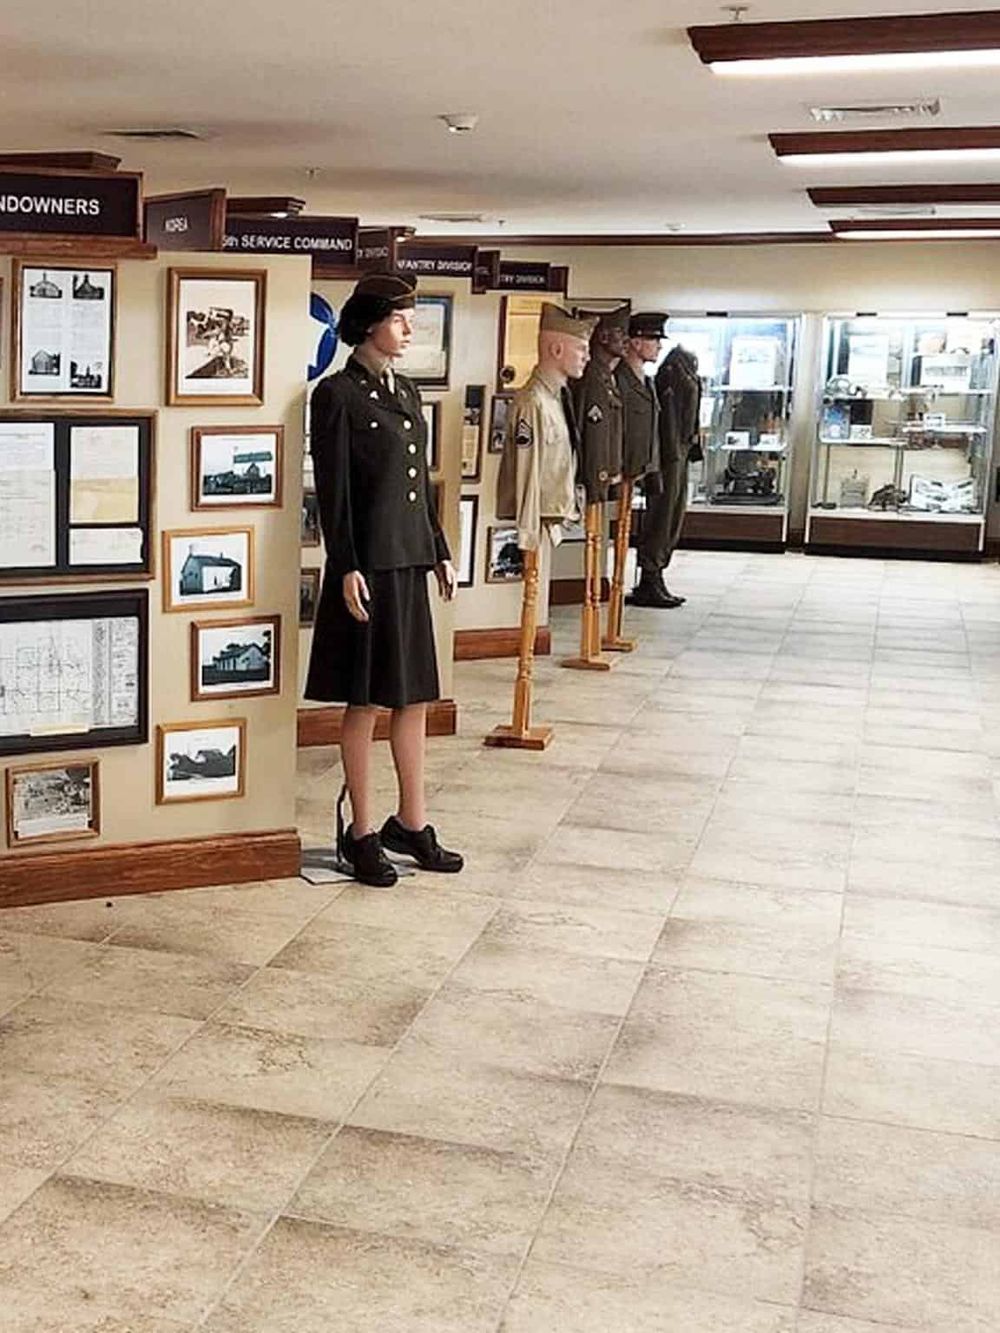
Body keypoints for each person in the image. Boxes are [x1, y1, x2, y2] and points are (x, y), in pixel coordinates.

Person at [305, 272, 463, 887]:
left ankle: (411, 823)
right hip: (367, 566)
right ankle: (362, 831)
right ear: (370, 322)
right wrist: (344, 564)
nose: (409, 328)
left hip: (408, 561)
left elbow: (420, 483)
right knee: (365, 700)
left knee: (414, 696)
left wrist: (440, 548)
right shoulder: (337, 394)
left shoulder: (408, 393)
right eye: (400, 319)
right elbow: (336, 491)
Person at [629, 337, 702, 608]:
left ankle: (655, 575)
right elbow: (669, 419)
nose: (658, 346)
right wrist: (670, 457)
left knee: (672, 515)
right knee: (662, 515)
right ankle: (650, 576)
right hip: (668, 454)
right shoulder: (672, 372)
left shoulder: (682, 369)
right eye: (653, 339)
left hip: (678, 452)